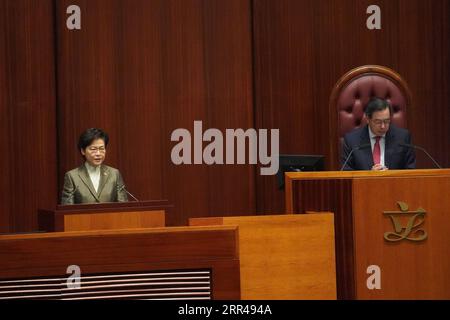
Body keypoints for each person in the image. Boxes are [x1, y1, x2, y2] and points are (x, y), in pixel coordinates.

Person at [341, 98, 416, 171]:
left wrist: (390, 176)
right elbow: (347, 175)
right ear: (367, 119)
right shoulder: (352, 141)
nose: (383, 126)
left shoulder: (403, 138)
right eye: (378, 122)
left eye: (386, 121)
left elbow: (410, 170)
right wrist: (369, 176)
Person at [61, 128, 128, 204]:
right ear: (83, 151)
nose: (98, 153)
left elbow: (123, 206)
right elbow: (67, 210)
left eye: (101, 149)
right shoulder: (72, 177)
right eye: (93, 149)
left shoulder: (114, 174)